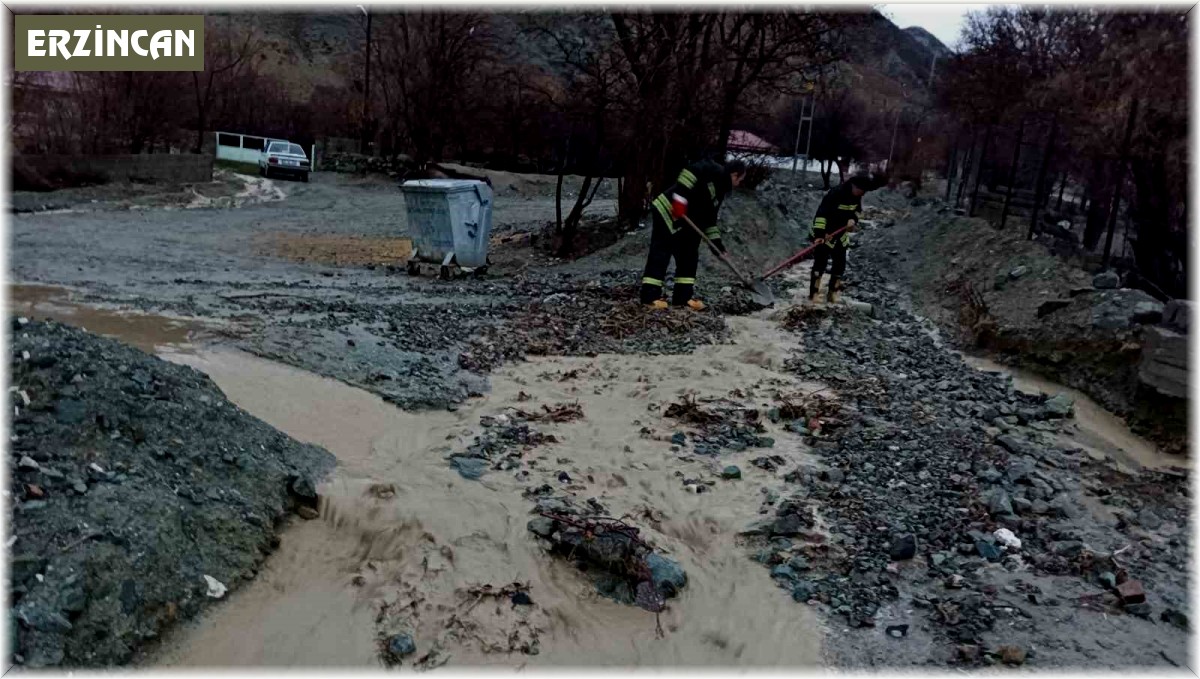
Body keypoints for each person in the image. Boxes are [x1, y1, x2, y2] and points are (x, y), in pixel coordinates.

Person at [640, 158, 747, 310]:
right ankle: (649, 297)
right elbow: (688, 172)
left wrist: (718, 247)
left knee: (689, 256)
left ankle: (683, 298)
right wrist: (679, 201)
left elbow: (710, 221)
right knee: (661, 253)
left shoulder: (719, 193)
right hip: (667, 211)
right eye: (740, 180)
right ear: (735, 175)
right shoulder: (712, 169)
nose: (738, 185)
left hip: (686, 222)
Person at [808, 172, 883, 304]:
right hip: (825, 234)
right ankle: (813, 294)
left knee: (840, 264)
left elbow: (855, 212)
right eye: (861, 190)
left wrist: (852, 220)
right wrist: (819, 235)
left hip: (840, 235)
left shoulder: (856, 197)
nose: (863, 194)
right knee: (820, 264)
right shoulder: (835, 194)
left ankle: (833, 293)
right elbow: (821, 215)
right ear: (854, 186)